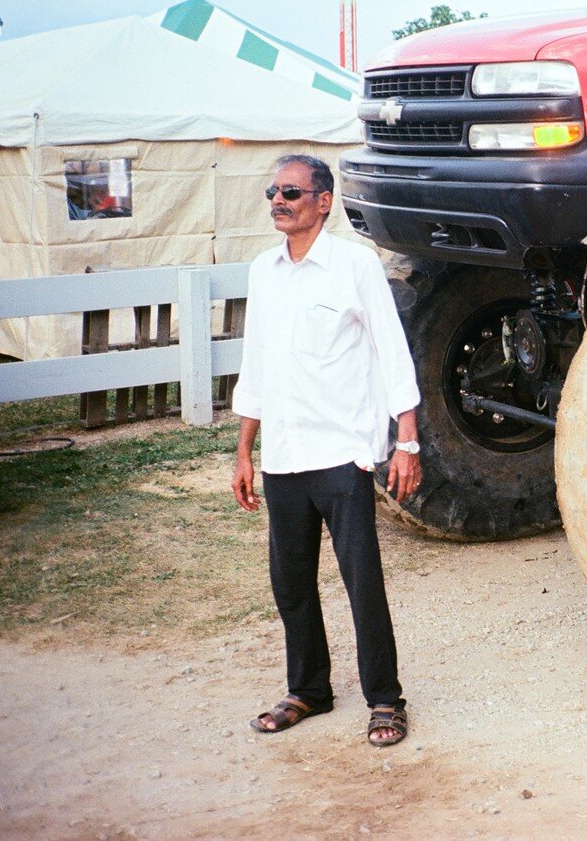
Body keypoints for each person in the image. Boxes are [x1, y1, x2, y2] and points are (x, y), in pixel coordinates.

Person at [231, 153, 422, 748]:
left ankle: (386, 700)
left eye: (291, 191)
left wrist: (406, 441)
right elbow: (255, 364)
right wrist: (244, 451)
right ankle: (308, 690)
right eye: (273, 191)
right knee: (290, 584)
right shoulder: (264, 271)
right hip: (284, 457)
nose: (278, 200)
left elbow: (393, 354)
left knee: (361, 581)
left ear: (323, 201)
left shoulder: (355, 266)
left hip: (343, 454)